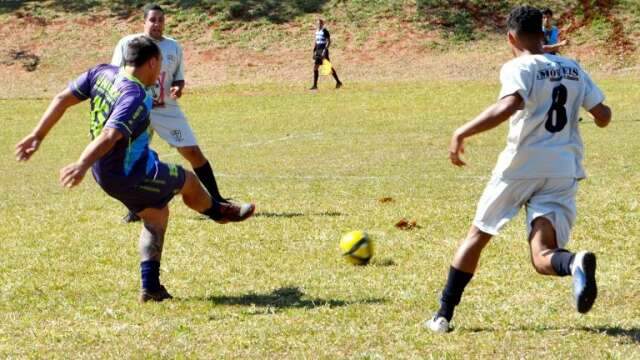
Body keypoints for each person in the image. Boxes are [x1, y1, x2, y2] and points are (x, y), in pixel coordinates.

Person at [15, 36, 255, 303]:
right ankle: (218, 212)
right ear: (152, 62)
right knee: (187, 179)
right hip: (130, 174)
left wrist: (37, 135)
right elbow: (109, 136)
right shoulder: (136, 96)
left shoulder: (101, 73)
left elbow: (62, 98)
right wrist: (80, 163)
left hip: (105, 171)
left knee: (156, 215)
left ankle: (151, 288)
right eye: (160, 63)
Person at [425, 6, 612, 333]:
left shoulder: (518, 67)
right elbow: (604, 114)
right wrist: (594, 114)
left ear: (511, 37)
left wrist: (462, 131)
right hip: (562, 169)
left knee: (478, 234)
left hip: (520, 166)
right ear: (543, 35)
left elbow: (509, 105)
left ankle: (443, 315)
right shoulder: (573, 68)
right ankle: (575, 262)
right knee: (544, 256)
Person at [112, 3, 252, 223]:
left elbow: (178, 77)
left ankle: (216, 199)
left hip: (166, 109)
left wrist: (178, 86)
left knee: (193, 153)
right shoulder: (127, 44)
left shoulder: (173, 47)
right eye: (152, 19)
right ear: (144, 21)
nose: (157, 24)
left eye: (160, 20)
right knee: (132, 158)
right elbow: (115, 75)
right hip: (137, 109)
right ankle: (136, 209)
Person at [310, 18, 342, 90]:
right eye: (317, 23)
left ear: (322, 24)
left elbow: (328, 41)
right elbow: (316, 41)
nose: (318, 24)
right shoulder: (317, 32)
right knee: (315, 67)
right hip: (318, 50)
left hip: (323, 50)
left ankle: (338, 82)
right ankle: (315, 85)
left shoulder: (325, 31)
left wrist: (325, 50)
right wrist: (314, 50)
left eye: (320, 23)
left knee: (328, 67)